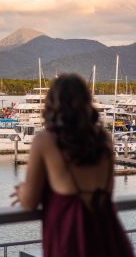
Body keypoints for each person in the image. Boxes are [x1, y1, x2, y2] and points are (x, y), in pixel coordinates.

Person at [10, 74, 134, 257]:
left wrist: (22, 191)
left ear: (52, 104)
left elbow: (29, 202)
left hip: (72, 239)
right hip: (108, 236)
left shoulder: (44, 141)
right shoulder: (104, 140)